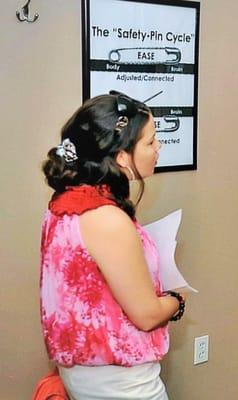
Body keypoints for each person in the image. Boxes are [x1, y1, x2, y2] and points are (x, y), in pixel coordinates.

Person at [39, 91, 186, 400]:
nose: (158, 147)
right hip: (121, 384)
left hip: (84, 376)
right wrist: (177, 300)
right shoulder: (106, 218)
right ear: (122, 157)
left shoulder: (63, 203)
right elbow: (146, 314)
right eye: (149, 141)